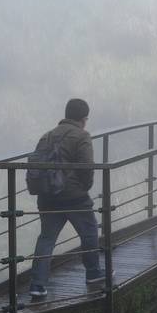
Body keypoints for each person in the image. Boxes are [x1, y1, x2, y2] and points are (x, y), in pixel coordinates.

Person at [27, 99, 110, 298]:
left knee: (46, 238)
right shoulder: (82, 135)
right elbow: (86, 167)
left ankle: (37, 285)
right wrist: (84, 188)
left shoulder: (47, 136)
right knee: (89, 230)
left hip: (47, 195)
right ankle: (93, 273)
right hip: (74, 196)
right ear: (84, 119)